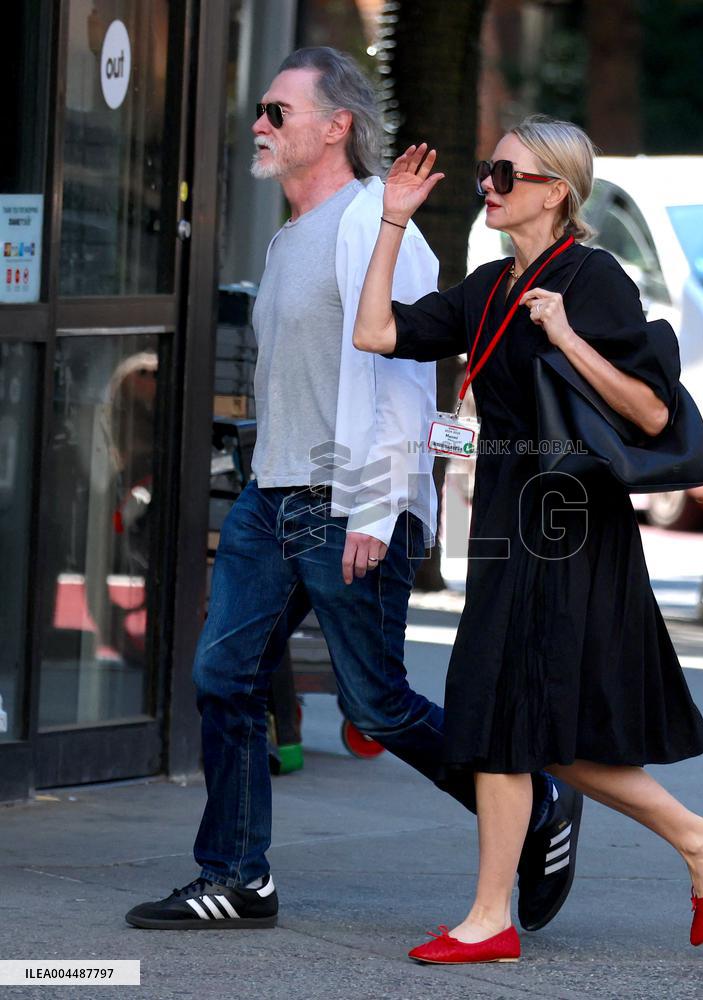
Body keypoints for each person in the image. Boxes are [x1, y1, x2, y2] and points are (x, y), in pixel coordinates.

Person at [125, 49, 580, 932]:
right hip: (275, 493)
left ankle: (534, 798)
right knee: (223, 676)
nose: (259, 123)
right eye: (261, 111)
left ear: (335, 126)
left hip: (346, 501)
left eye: (275, 110)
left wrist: (376, 505)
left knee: (378, 703)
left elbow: (407, 371)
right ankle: (237, 877)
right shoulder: (290, 233)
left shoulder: (379, 217)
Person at [353, 115, 703, 964]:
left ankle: (495, 916)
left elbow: (648, 412)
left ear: (554, 190)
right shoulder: (489, 285)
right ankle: (692, 842)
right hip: (505, 521)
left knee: (508, 716)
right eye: (485, 173)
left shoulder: (594, 279)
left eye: (504, 173)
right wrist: (393, 219)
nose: (487, 186)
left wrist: (567, 336)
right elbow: (376, 334)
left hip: (570, 527)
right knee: (513, 720)